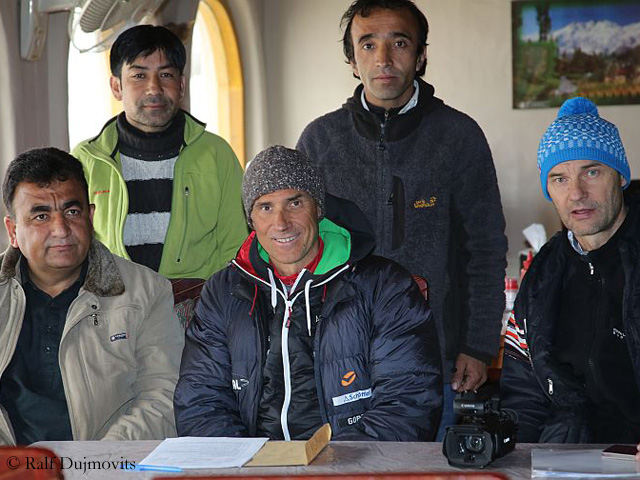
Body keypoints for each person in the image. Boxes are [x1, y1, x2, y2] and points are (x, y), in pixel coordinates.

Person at [296, 0, 507, 437]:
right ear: (352, 61)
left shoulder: (459, 137)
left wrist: (478, 346)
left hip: (436, 358)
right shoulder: (319, 141)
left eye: (399, 43)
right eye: (368, 45)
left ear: (422, 54)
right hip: (335, 358)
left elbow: (485, 250)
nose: (384, 59)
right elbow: (296, 253)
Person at [174, 146, 442, 441]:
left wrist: (332, 468)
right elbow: (200, 402)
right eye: (265, 207)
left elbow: (408, 404)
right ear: (251, 219)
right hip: (254, 467)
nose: (281, 222)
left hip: (350, 468)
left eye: (294, 203)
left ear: (318, 208)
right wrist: (247, 466)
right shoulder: (224, 292)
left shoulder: (385, 286)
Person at [0, 148, 183, 445]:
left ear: (91, 215)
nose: (61, 229)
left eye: (72, 212)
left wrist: (94, 463)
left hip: (109, 464)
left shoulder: (146, 291)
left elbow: (163, 395)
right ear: (13, 230)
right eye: (41, 216)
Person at [72, 25, 247, 322]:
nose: (154, 88)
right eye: (139, 75)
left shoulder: (216, 155)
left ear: (181, 85)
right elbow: (78, 249)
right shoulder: (87, 161)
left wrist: (209, 312)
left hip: (200, 317)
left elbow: (236, 248)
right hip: (113, 318)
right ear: (117, 87)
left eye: (166, 75)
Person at [501, 97, 640, 443]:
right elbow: (524, 393)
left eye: (591, 172)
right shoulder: (543, 275)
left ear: (620, 176)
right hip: (568, 454)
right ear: (548, 190)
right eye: (559, 178)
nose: (576, 193)